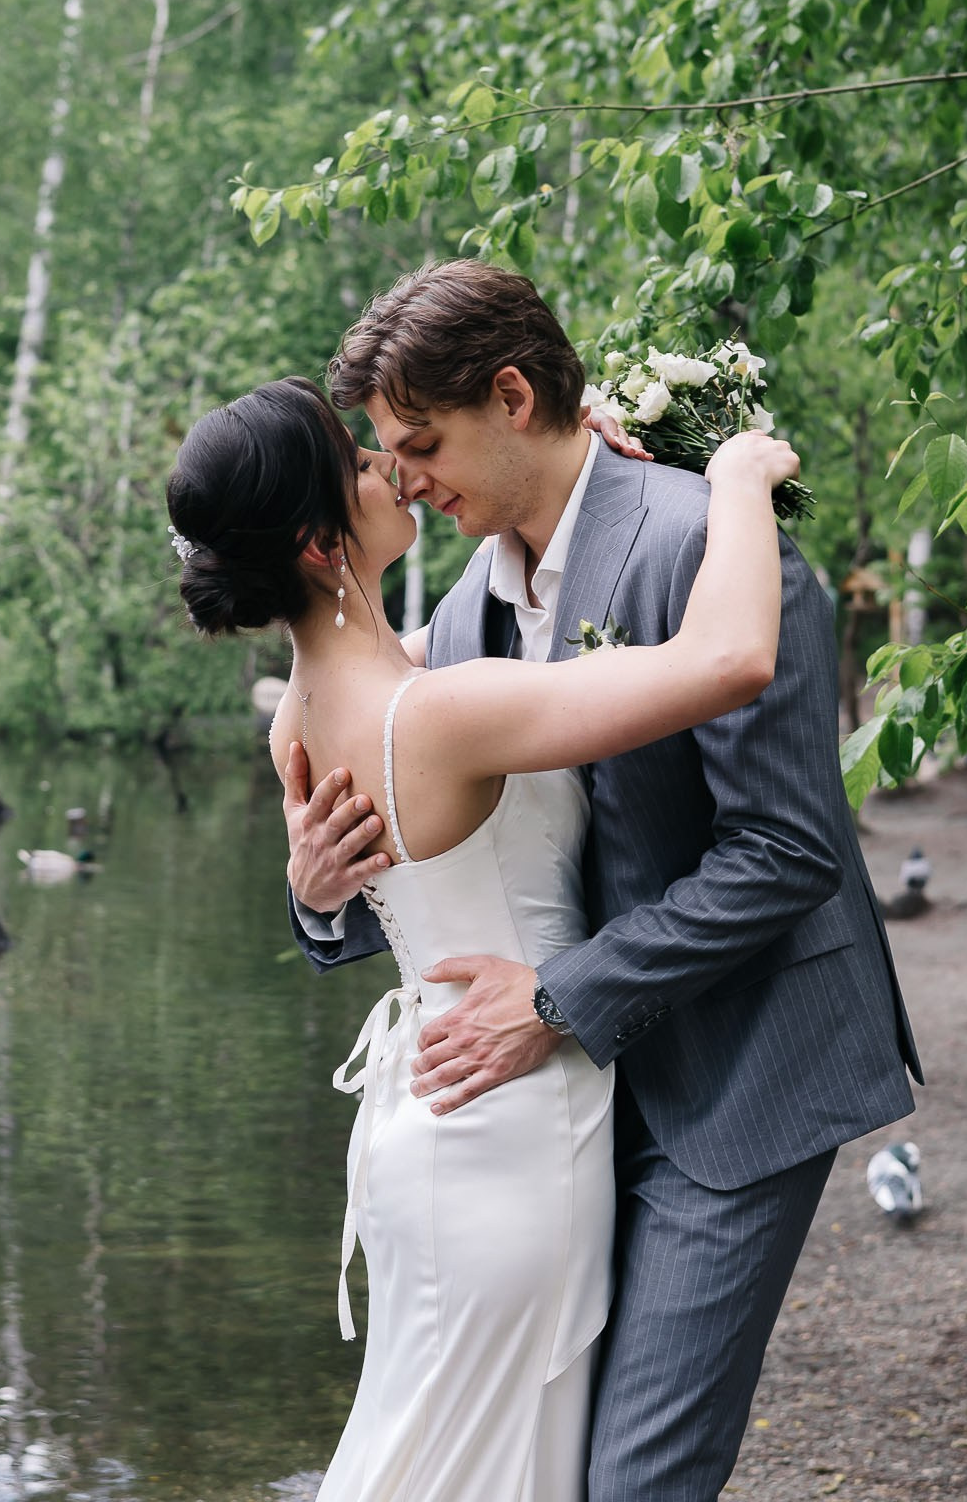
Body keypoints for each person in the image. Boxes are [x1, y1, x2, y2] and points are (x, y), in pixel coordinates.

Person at [282, 261, 922, 1501]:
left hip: (741, 1073)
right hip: (575, 1113)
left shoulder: (711, 544)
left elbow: (788, 852)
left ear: (512, 395)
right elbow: (439, 863)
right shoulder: (472, 607)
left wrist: (554, 1000)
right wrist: (320, 892)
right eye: (386, 454)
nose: (404, 475)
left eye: (421, 441)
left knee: (635, 1483)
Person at [167, 370, 804, 1499]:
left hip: (424, 1122)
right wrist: (742, 472)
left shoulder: (303, 718)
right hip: (514, 1126)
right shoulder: (447, 712)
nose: (394, 469)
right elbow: (730, 661)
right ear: (321, 542)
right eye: (362, 463)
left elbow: (451, 658)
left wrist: (582, 471)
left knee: (430, 1452)